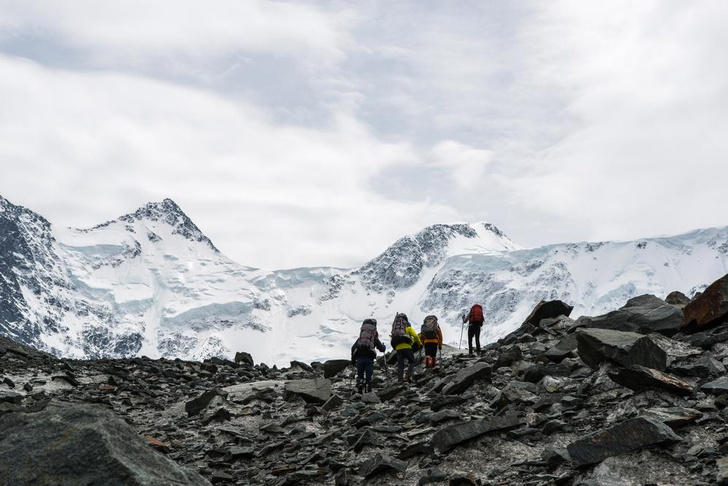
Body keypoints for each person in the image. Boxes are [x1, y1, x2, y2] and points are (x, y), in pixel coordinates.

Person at [351, 318, 386, 394]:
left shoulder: (360, 338)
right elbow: (381, 349)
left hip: (360, 356)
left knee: (360, 374)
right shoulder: (373, 338)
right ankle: (368, 390)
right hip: (369, 357)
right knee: (368, 375)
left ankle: (360, 384)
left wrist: (353, 361)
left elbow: (353, 348)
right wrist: (384, 347)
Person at [390, 313, 422, 383]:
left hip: (398, 348)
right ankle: (407, 376)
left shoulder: (397, 330)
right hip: (407, 347)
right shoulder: (408, 328)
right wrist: (420, 344)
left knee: (400, 364)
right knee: (412, 362)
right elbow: (416, 336)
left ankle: (400, 380)